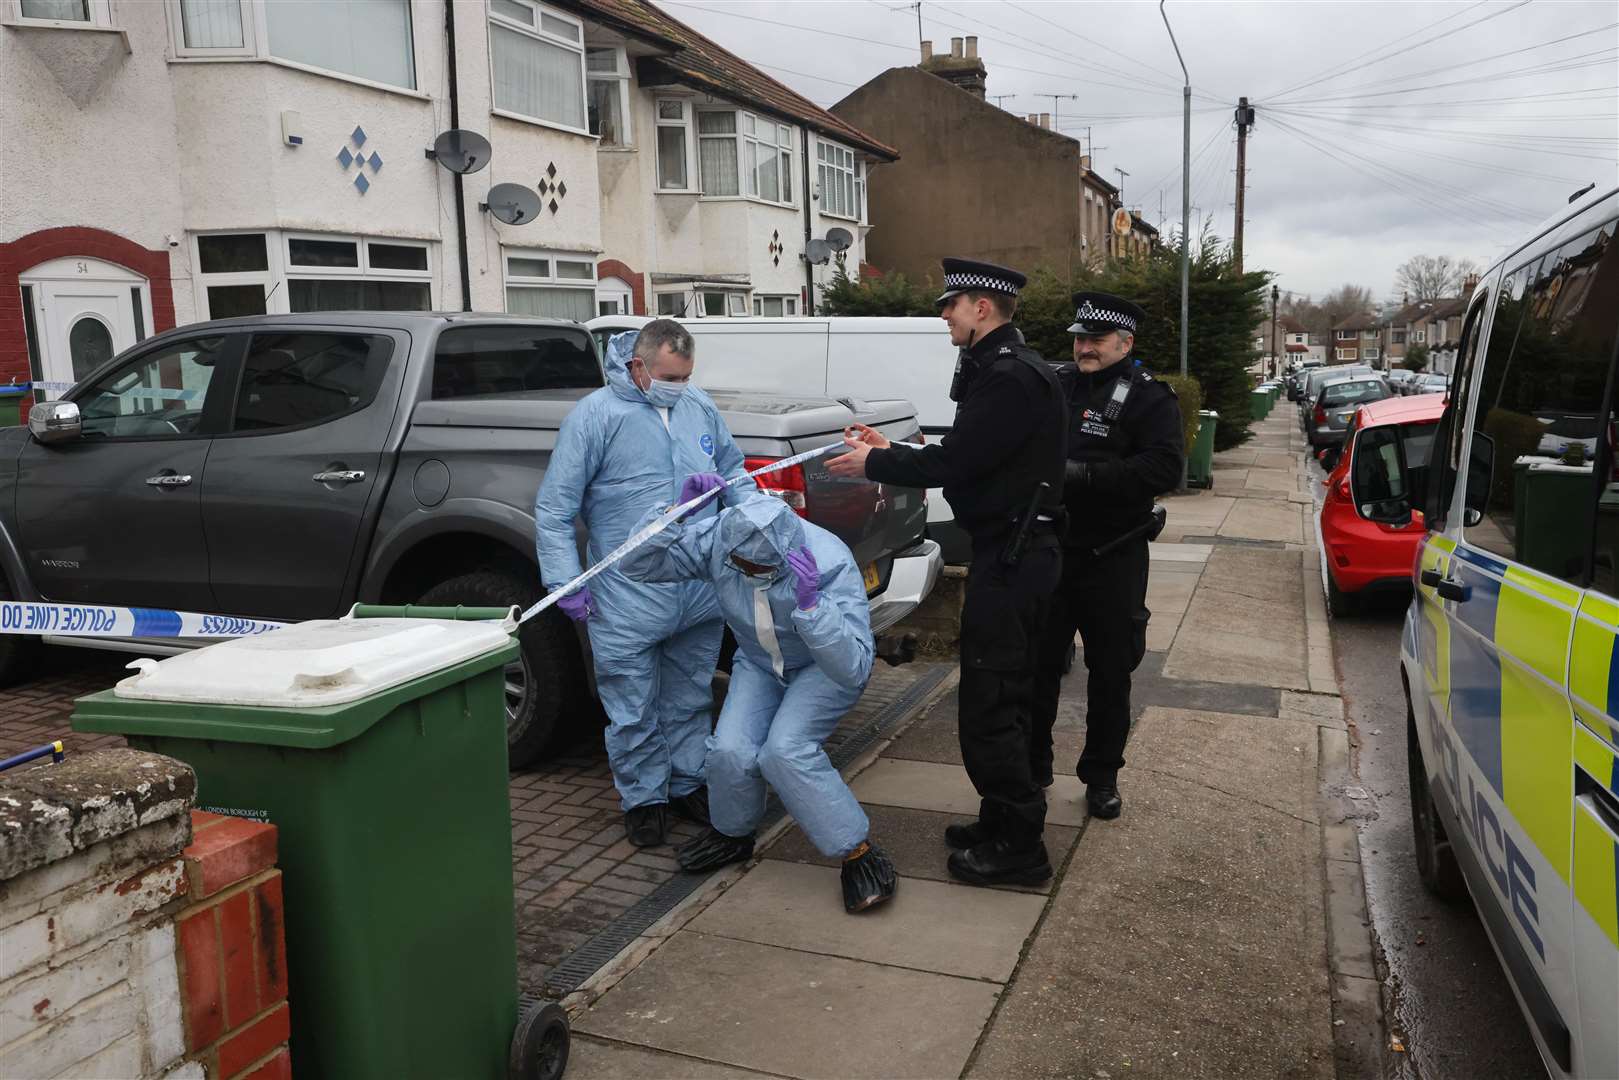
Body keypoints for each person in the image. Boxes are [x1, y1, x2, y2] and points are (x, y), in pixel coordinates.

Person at [829, 257, 1066, 887]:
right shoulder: (1000, 369)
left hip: (1015, 559)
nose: (943, 315)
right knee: (997, 693)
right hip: (1010, 553)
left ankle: (1020, 849)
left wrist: (874, 466)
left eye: (950, 305)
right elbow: (975, 457)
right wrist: (889, 449)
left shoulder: (1009, 378)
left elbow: (958, 463)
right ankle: (1000, 821)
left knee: (994, 700)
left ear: (981, 307)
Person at [620, 492, 897, 913]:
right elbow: (636, 563)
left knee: (784, 752)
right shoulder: (723, 537)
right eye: (741, 567)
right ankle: (732, 835)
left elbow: (855, 666)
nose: (749, 574)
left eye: (761, 568)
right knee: (729, 749)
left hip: (824, 665)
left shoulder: (829, 560)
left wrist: (813, 607)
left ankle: (858, 853)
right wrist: (672, 515)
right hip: (760, 661)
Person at [535, 320, 754, 848]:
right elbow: (555, 508)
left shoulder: (696, 405)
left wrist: (755, 522)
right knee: (630, 704)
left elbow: (733, 470)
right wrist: (565, 582)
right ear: (639, 366)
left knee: (689, 696)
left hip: (697, 588)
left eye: (687, 375)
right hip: (625, 592)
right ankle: (643, 798)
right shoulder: (594, 417)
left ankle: (686, 783)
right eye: (671, 377)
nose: (680, 386)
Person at [1031, 292, 1184, 820]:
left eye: (1095, 340)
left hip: (1113, 556)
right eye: (1079, 338)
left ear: (1125, 342)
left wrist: (1088, 475)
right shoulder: (1058, 384)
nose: (1083, 348)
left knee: (1111, 672)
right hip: (1052, 551)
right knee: (1039, 667)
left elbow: (1166, 469)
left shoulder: (1149, 397)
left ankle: (1101, 776)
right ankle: (1034, 768)